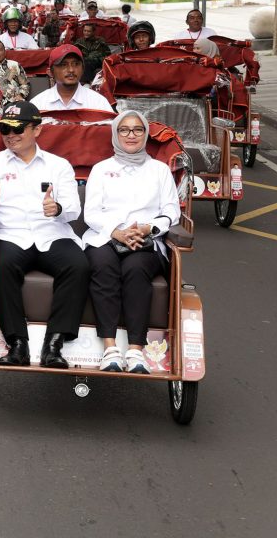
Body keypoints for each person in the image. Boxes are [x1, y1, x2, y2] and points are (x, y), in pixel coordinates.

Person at [0, 100, 89, 368]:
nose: (11, 136)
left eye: (18, 130)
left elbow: (73, 209)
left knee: (79, 265)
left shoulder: (58, 165)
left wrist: (57, 208)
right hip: (12, 235)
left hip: (52, 232)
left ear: (36, 130)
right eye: (5, 130)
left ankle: (54, 343)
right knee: (1, 265)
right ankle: (17, 344)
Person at [82, 110, 180, 373]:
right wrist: (117, 231)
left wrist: (149, 228)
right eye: (124, 129)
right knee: (103, 266)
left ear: (146, 134)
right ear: (115, 134)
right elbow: (91, 212)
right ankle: (110, 348)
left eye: (137, 129)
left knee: (135, 269)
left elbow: (172, 211)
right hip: (106, 236)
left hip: (146, 240)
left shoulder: (159, 170)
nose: (131, 135)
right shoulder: (102, 169)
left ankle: (136, 350)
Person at [32, 45, 116, 112]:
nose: (71, 70)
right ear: (50, 72)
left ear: (83, 69)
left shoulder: (98, 103)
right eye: (63, 65)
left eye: (76, 64)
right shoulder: (38, 104)